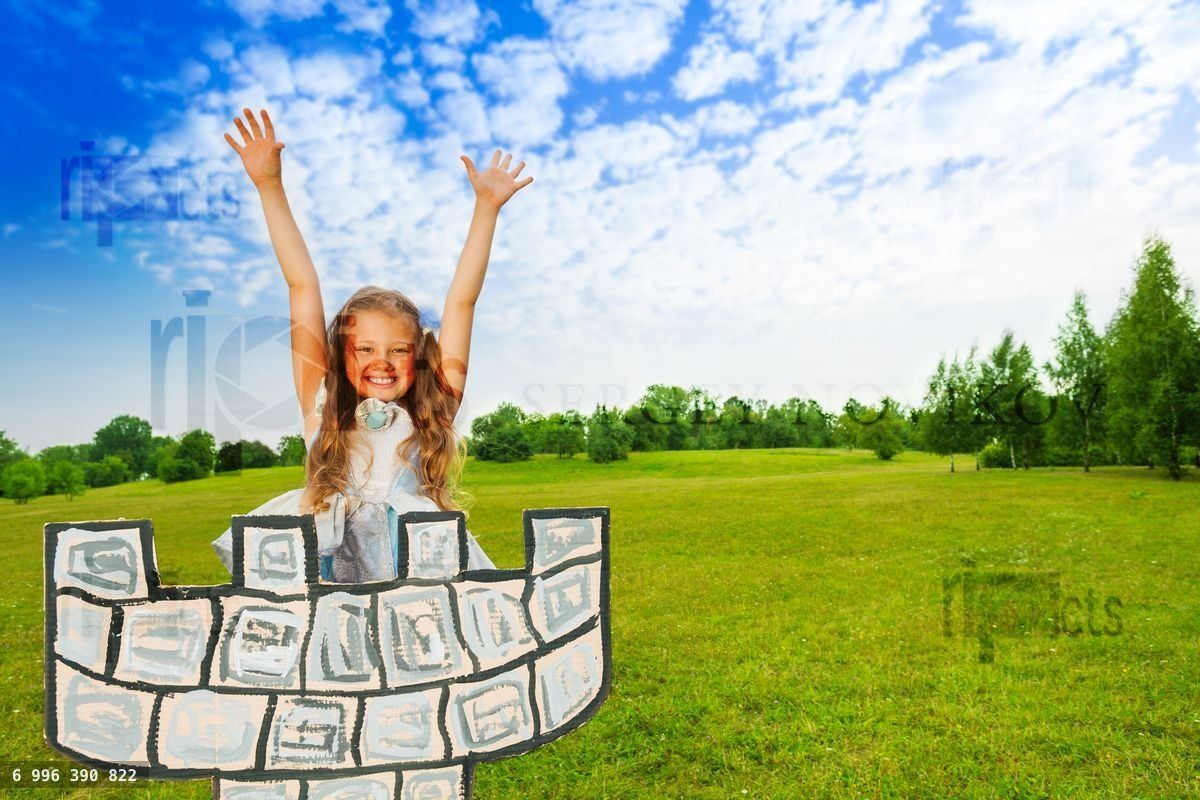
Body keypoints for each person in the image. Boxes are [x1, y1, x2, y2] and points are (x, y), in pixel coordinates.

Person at [211, 107, 533, 582]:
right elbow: (301, 285)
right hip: (332, 561)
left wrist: (486, 210)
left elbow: (462, 301)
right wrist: (268, 186)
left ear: (418, 356)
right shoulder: (321, 405)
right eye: (364, 348)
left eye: (398, 350)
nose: (381, 362)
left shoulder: (434, 406)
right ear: (340, 354)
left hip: (418, 563)